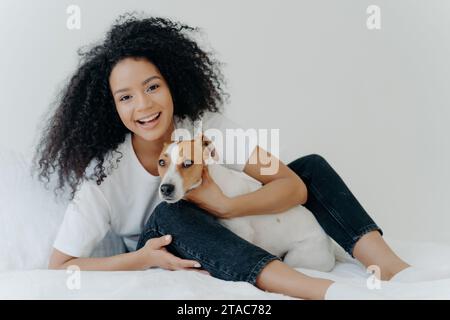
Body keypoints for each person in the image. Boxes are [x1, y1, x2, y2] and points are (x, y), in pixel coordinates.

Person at [33, 13, 443, 300]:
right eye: (125, 97)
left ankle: (391, 268)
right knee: (170, 213)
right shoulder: (104, 176)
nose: (143, 105)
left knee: (312, 166)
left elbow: (293, 185)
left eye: (152, 86)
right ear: (112, 108)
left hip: (231, 231)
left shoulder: (210, 129)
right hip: (177, 243)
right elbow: (61, 264)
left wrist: (227, 206)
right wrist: (141, 258)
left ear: (172, 84)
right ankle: (321, 291)